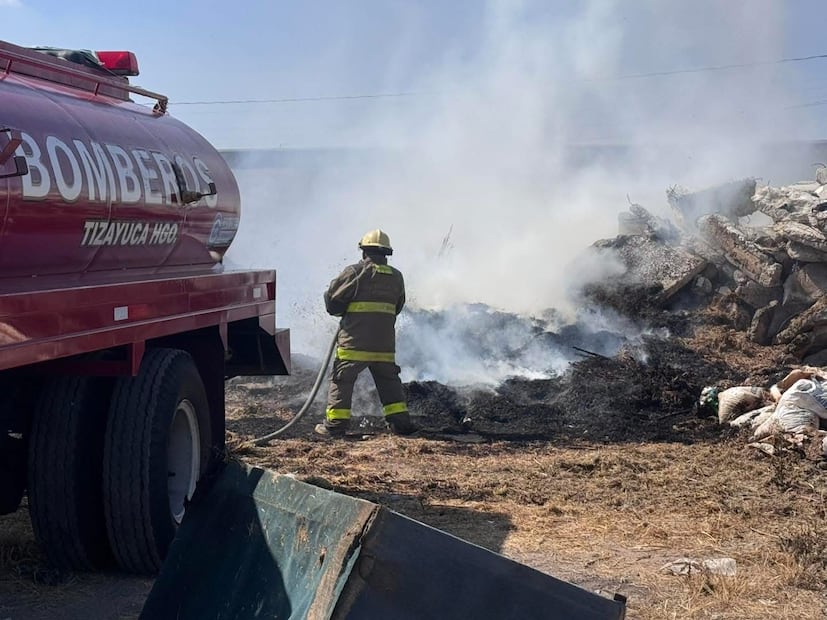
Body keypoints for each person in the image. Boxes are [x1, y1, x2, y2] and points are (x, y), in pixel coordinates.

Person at [315, 229, 416, 438]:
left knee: (342, 380)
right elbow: (397, 306)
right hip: (384, 345)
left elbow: (332, 302)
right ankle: (401, 425)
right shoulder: (397, 277)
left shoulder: (355, 273)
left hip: (354, 343)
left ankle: (335, 426)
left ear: (363, 252)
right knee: (389, 382)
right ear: (386, 254)